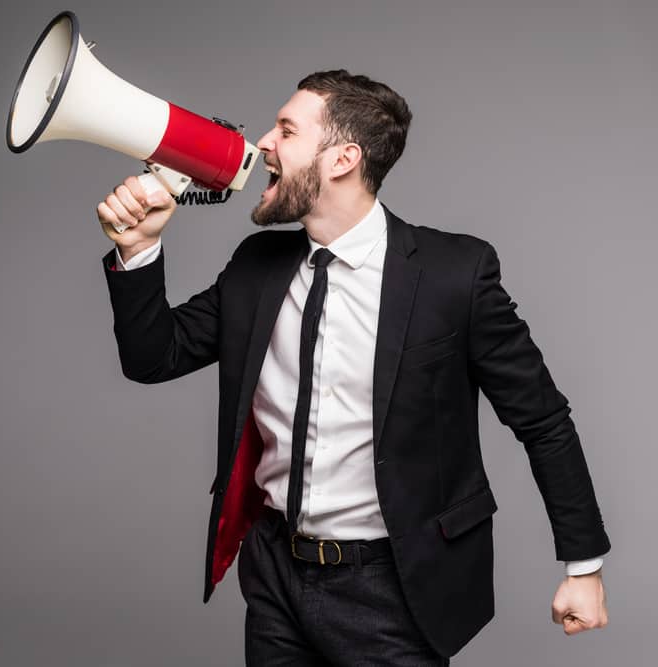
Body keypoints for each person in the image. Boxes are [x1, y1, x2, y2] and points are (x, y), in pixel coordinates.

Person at [95, 70, 611, 665]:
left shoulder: (454, 274)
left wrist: (584, 565)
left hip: (395, 586)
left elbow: (542, 419)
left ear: (343, 158)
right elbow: (153, 357)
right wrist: (137, 251)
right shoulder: (255, 265)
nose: (263, 142)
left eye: (287, 130)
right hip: (275, 578)